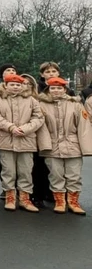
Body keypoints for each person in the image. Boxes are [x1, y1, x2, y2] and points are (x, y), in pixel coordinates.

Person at [0, 74, 46, 212]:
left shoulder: (31, 100)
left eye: (18, 85)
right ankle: (10, 197)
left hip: (26, 140)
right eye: (12, 84)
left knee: (25, 171)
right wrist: (11, 127)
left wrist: (25, 129)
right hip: (6, 140)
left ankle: (25, 198)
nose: (15, 87)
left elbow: (38, 117)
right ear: (5, 85)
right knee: (9, 171)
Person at [38, 77, 89, 214]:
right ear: (48, 89)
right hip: (52, 145)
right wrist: (44, 145)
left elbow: (83, 127)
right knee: (56, 175)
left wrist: (86, 148)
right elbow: (40, 126)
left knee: (74, 175)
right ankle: (60, 201)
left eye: (59, 88)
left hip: (73, 145)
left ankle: (73, 201)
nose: (56, 91)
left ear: (64, 89)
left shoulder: (75, 104)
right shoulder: (41, 104)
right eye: (53, 88)